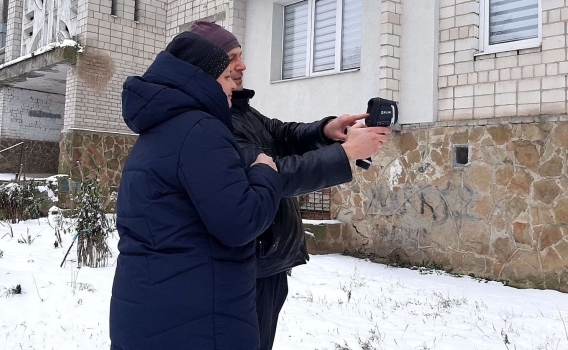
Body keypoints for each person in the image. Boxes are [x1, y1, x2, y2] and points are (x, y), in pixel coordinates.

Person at [190, 22, 392, 350]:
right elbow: (271, 176)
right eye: (232, 58)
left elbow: (278, 133)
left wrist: (325, 130)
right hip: (244, 265)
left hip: (266, 261)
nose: (242, 65)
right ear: (207, 67)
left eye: (241, 56)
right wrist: (346, 154)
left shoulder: (238, 109)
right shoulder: (213, 120)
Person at [109, 32, 283, 350]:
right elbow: (239, 222)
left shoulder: (158, 130)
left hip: (151, 313)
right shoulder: (200, 131)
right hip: (198, 323)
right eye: (227, 77)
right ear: (204, 79)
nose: (235, 86)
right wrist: (264, 172)